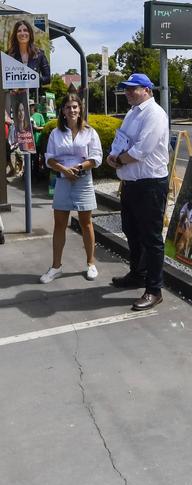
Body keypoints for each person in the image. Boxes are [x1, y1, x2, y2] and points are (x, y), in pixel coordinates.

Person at [107, 73, 169, 311]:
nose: (128, 92)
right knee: (131, 231)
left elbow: (142, 149)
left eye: (134, 89)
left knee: (152, 239)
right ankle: (138, 274)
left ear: (148, 90)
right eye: (126, 89)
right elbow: (121, 140)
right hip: (132, 184)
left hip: (150, 184)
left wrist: (118, 161)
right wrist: (114, 156)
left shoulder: (154, 114)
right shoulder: (133, 113)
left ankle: (154, 289)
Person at [40, 93, 102, 284]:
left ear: (80, 109)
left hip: (83, 181)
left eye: (75, 106)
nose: (72, 110)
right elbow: (49, 157)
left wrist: (79, 167)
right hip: (62, 180)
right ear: (63, 111)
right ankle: (56, 266)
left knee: (86, 223)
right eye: (68, 107)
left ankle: (91, 263)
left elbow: (97, 157)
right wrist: (64, 170)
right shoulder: (55, 134)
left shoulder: (90, 132)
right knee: (59, 224)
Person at [7, 20, 51, 85]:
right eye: (19, 31)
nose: (22, 33)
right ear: (15, 35)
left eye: (25, 30)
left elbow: (47, 78)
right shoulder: (8, 55)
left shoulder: (39, 54)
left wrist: (31, 81)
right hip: (14, 94)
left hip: (34, 94)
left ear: (30, 33)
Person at [30, 100, 46, 176]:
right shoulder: (25, 115)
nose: (30, 108)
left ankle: (36, 175)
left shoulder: (39, 115)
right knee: (29, 159)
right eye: (29, 106)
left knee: (36, 158)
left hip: (37, 140)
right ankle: (29, 174)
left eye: (31, 106)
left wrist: (36, 128)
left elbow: (44, 127)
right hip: (27, 141)